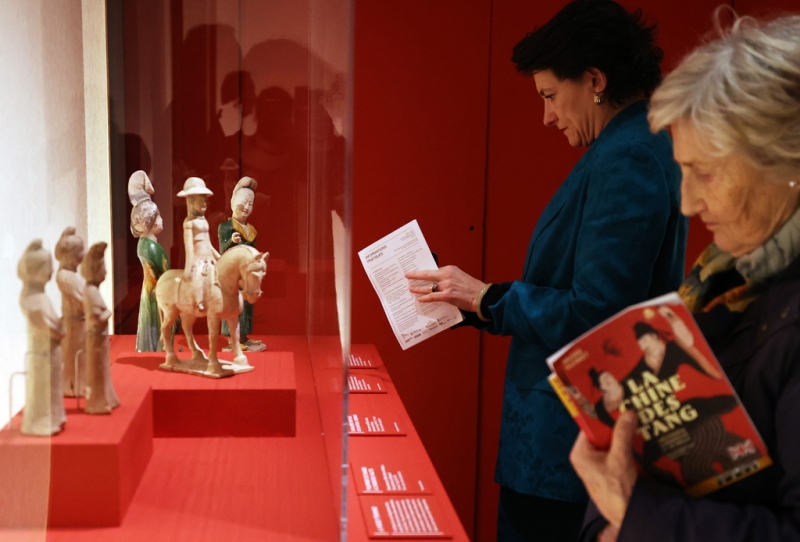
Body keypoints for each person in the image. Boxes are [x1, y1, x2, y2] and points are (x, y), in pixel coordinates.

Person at [405, 1, 688, 539]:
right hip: (572, 440)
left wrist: (489, 298)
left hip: (569, 444)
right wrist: (473, 301)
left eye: (551, 96)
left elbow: (598, 312)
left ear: (595, 80)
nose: (547, 116)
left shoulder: (626, 156)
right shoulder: (627, 146)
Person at [571, 12, 800, 542]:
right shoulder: (726, 279)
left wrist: (635, 516)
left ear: (786, 162)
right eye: (683, 171)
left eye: (706, 173)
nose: (689, 203)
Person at [17, 240, 67, 436]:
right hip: (42, 352)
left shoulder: (40, 297)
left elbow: (51, 320)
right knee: (42, 389)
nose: (51, 272)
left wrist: (58, 327)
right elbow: (42, 324)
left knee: (52, 387)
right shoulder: (29, 299)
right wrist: (58, 331)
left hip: (50, 351)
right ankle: (40, 422)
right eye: (48, 268)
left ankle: (55, 417)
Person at [218, 176, 264, 351]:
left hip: (247, 276)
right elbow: (222, 249)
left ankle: (243, 337)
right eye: (243, 202)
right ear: (233, 202)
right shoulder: (226, 227)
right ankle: (232, 339)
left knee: (247, 306)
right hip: (233, 275)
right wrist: (231, 241)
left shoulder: (251, 230)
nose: (246, 207)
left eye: (250, 204)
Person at [129, 170, 170, 352]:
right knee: (156, 319)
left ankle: (152, 346)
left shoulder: (143, 244)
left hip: (150, 289)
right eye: (158, 217)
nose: (161, 220)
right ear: (150, 222)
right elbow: (164, 271)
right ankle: (157, 347)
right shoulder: (151, 247)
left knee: (150, 319)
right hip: (156, 291)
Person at [177, 177, 220, 312]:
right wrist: (189, 266)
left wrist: (218, 256)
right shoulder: (189, 223)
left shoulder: (204, 221)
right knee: (198, 277)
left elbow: (208, 243)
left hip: (208, 256)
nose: (205, 203)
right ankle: (198, 300)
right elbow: (188, 247)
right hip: (198, 259)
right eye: (201, 200)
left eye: (205, 200)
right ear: (191, 200)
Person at [54, 227, 86, 396]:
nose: (84, 253)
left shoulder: (72, 275)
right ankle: (73, 386)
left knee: (80, 357)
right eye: (80, 250)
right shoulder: (65, 276)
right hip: (74, 323)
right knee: (74, 356)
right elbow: (82, 300)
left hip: (80, 322)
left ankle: (79, 385)